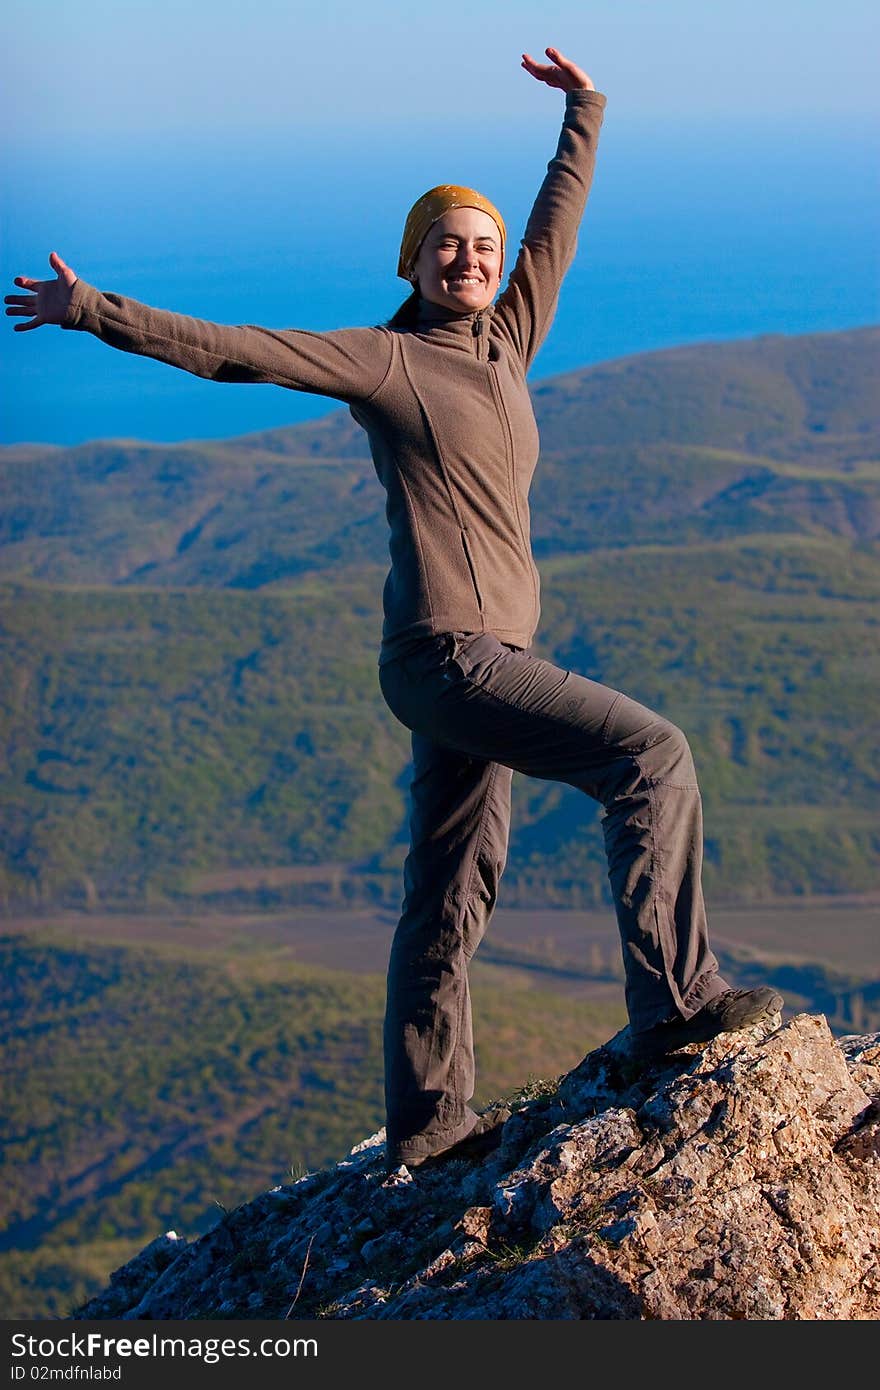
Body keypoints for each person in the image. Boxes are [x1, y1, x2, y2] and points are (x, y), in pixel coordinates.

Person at [7, 46, 783, 1176]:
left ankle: (427, 1130)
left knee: (449, 889)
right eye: (445, 248)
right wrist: (92, 310)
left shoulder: (509, 340)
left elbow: (552, 232)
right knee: (651, 757)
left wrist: (584, 110)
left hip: (472, 658)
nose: (469, 261)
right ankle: (675, 1002)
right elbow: (239, 354)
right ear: (413, 265)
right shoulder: (388, 361)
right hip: (447, 655)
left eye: (478, 247)